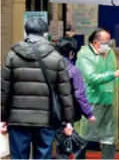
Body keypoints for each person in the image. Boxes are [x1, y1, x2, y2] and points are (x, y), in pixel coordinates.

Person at [0, 18, 74, 159]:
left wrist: (2, 118)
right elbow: (65, 93)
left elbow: (4, 90)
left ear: (26, 32)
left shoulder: (13, 56)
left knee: (18, 157)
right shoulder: (55, 57)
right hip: (46, 119)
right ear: (45, 34)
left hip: (18, 120)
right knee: (43, 155)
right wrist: (68, 121)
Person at [75, 28, 119, 159]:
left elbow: (114, 73)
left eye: (109, 42)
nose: (108, 45)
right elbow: (92, 78)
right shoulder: (84, 55)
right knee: (84, 137)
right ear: (96, 42)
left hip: (109, 101)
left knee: (109, 137)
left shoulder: (110, 54)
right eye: (106, 42)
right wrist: (115, 74)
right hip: (91, 102)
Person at [55, 37, 96, 159]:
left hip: (45, 113)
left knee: (43, 147)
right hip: (65, 114)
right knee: (63, 148)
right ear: (72, 53)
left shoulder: (47, 68)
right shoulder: (73, 71)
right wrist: (89, 113)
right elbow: (79, 95)